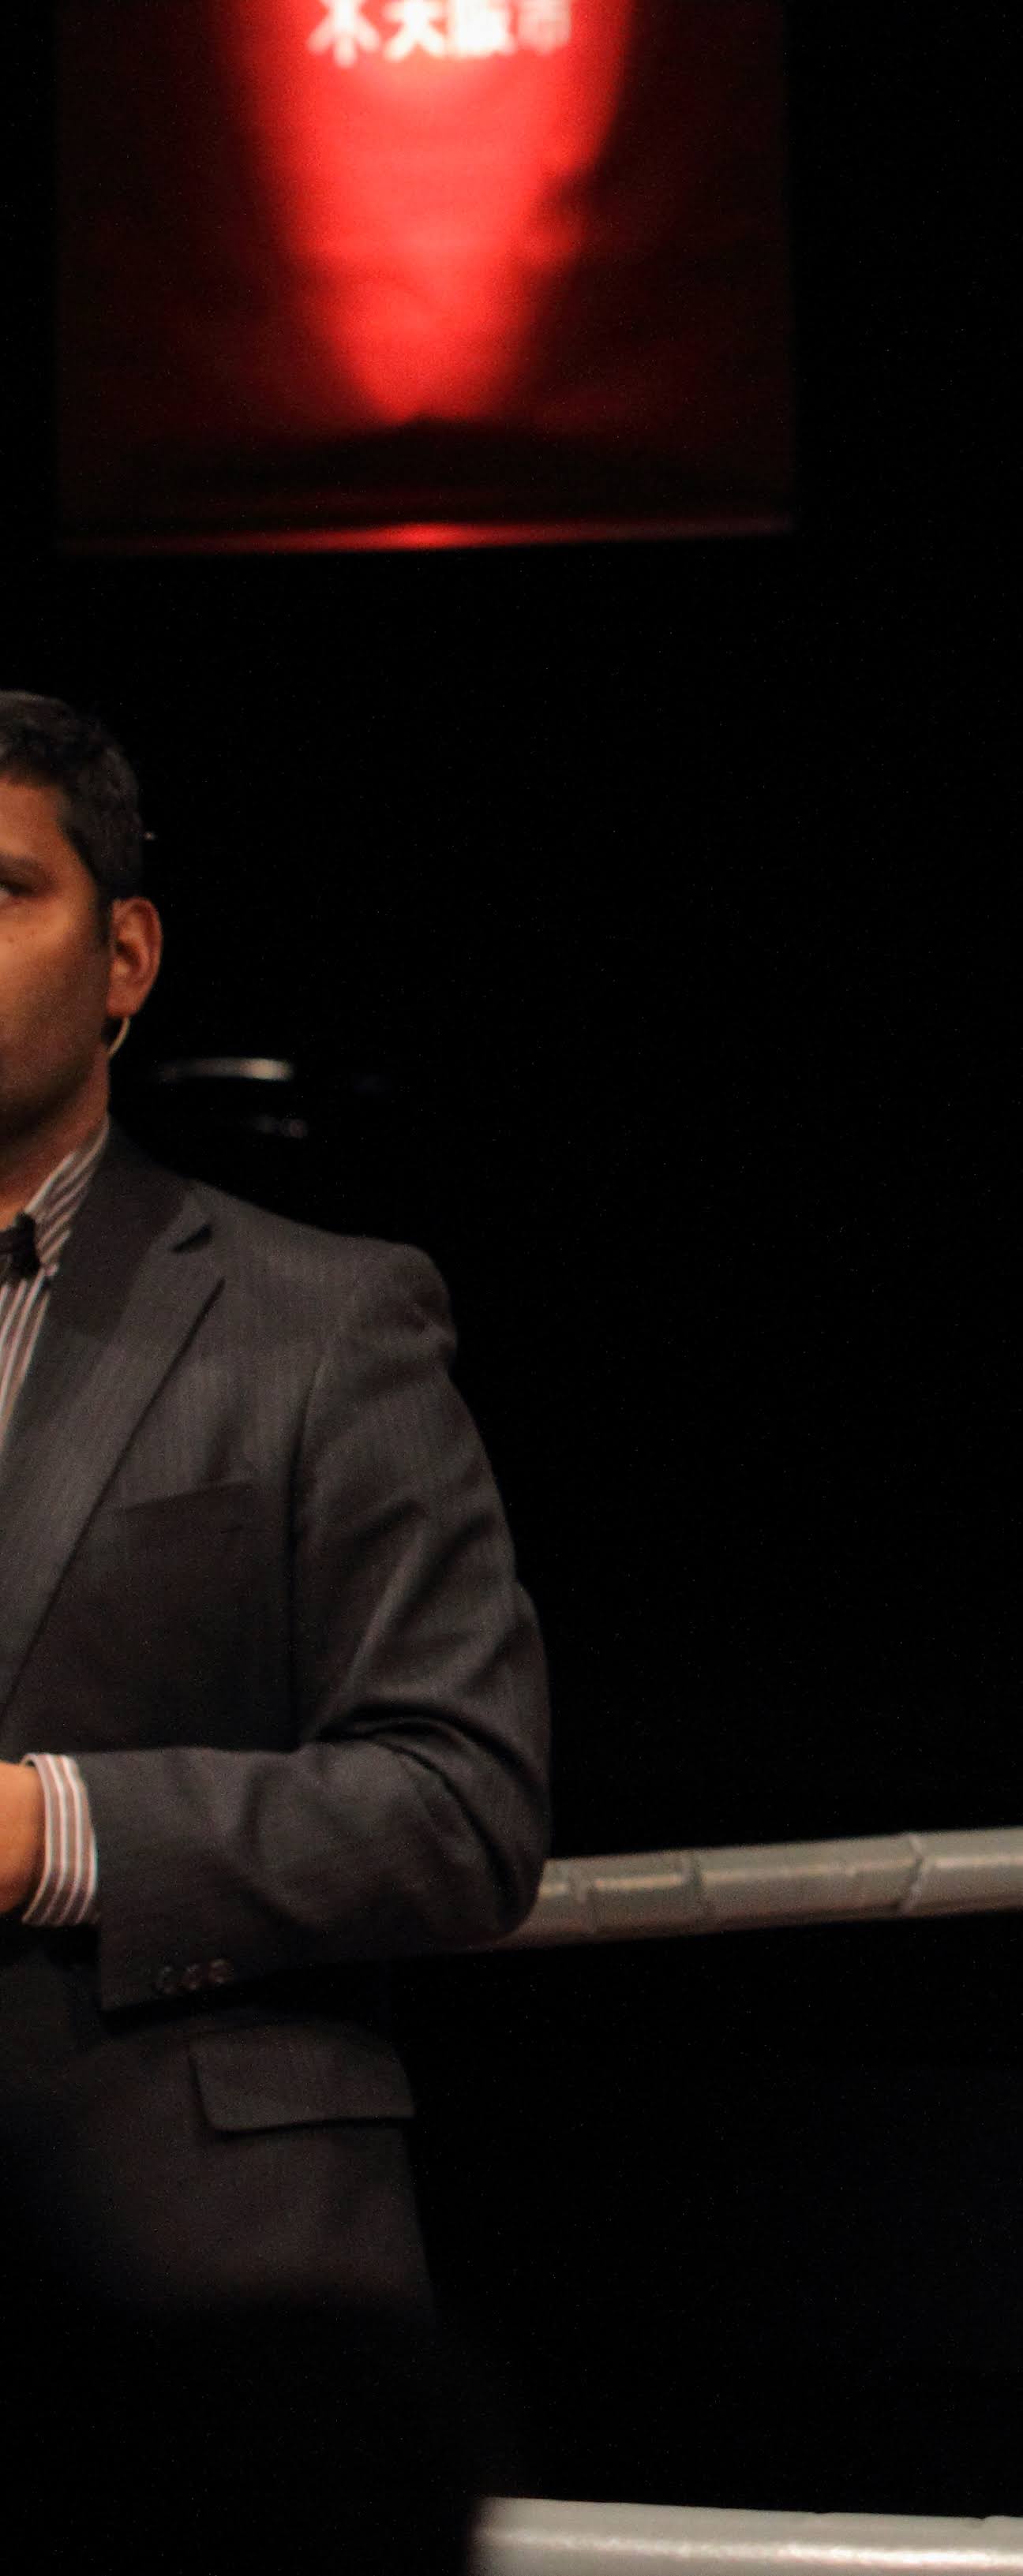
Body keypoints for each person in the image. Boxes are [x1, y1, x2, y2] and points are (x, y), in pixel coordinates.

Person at [0, 693, 550, 2318]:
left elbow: (460, 1804)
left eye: (0, 891)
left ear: (124, 956)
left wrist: (52, 1832)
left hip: (182, 2285)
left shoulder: (320, 1321)